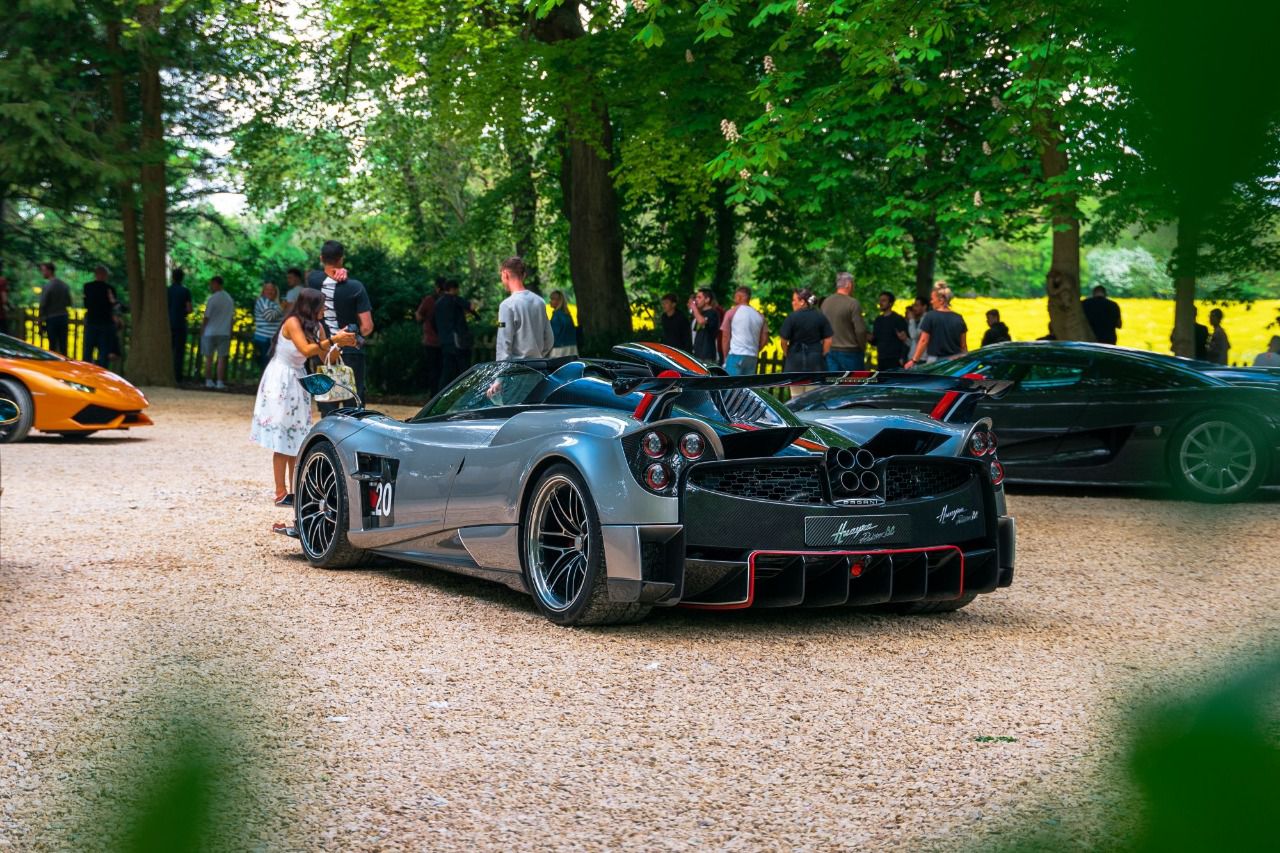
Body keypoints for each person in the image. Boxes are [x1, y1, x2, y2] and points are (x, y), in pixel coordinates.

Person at [250, 288, 356, 509]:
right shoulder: (292, 322)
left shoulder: (317, 327)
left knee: (297, 435)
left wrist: (341, 343)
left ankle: (295, 491)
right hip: (281, 377)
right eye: (322, 305)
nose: (325, 310)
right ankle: (280, 492)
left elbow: (326, 356)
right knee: (281, 436)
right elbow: (306, 350)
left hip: (298, 378)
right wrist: (333, 339)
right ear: (311, 306)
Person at [306, 240, 374, 413]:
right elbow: (367, 326)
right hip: (350, 350)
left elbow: (312, 274)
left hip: (323, 348)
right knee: (354, 403)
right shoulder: (356, 287)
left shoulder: (313, 281)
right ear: (342, 259)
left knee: (327, 403)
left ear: (321, 258)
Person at [496, 257, 553, 360]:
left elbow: (503, 346)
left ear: (505, 274)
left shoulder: (506, 306)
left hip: (518, 371)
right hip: (538, 367)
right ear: (524, 275)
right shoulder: (540, 302)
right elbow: (549, 339)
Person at [906, 284, 967, 368]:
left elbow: (924, 340)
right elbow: (963, 345)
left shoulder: (930, 316)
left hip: (935, 361)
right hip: (955, 362)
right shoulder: (959, 318)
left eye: (932, 299)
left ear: (941, 300)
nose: (931, 302)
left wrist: (914, 360)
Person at [821, 271, 869, 371]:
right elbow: (860, 330)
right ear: (848, 284)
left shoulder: (826, 302)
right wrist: (862, 347)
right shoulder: (852, 303)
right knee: (854, 385)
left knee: (833, 385)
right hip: (850, 352)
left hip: (830, 351)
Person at [780, 287, 833, 375]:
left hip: (795, 360)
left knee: (796, 388)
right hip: (815, 362)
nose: (792, 303)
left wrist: (788, 354)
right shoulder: (820, 316)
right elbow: (828, 340)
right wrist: (821, 354)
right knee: (814, 388)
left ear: (802, 302)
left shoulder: (792, 317)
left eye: (794, 300)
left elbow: (783, 341)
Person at [720, 285, 768, 376]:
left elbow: (725, 336)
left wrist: (726, 357)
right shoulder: (759, 316)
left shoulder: (731, 312)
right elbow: (764, 339)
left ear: (739, 296)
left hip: (735, 354)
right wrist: (755, 350)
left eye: (735, 297)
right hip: (752, 357)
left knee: (731, 387)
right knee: (746, 388)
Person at [435, 279, 473, 386]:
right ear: (453, 289)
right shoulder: (456, 300)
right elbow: (471, 307)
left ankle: (441, 395)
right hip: (458, 341)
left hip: (444, 341)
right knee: (464, 370)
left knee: (447, 371)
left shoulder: (438, 303)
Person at [82, 265, 119, 368]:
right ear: (105, 275)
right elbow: (114, 306)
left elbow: (86, 304)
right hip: (105, 323)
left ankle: (85, 371)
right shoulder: (109, 289)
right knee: (103, 352)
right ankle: (102, 372)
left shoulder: (88, 287)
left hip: (92, 321)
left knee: (88, 350)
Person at [201, 276, 235, 388]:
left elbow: (207, 316)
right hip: (224, 331)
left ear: (217, 284)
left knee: (209, 358)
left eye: (212, 284)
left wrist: (202, 329)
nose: (211, 286)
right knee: (221, 358)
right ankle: (220, 382)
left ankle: (208, 380)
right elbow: (231, 318)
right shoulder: (229, 299)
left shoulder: (212, 299)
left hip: (210, 332)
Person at [415, 277, 444, 396]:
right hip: (446, 341)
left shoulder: (429, 300)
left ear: (436, 287)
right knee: (443, 370)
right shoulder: (449, 300)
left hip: (430, 340)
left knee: (433, 370)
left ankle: (433, 395)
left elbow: (418, 316)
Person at [38, 262, 72, 356]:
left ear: (49, 271)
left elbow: (43, 305)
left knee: (52, 346)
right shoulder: (64, 285)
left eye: (44, 270)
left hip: (52, 318)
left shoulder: (48, 286)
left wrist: (40, 322)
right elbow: (69, 302)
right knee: (63, 346)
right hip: (64, 317)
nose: (43, 273)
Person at [871, 291, 910, 371]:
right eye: (880, 300)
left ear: (890, 303)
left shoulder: (898, 319)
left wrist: (903, 357)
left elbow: (905, 340)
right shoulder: (878, 320)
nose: (881, 303)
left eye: (884, 300)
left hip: (895, 359)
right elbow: (875, 341)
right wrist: (869, 338)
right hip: (881, 358)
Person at [252, 282, 284, 371]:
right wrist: (282, 307)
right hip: (264, 339)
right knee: (266, 366)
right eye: (267, 289)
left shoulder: (273, 303)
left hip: (271, 339)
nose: (270, 292)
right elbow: (269, 317)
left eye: (272, 289)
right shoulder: (262, 301)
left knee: (270, 366)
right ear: (263, 291)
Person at [167, 267, 192, 380]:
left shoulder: (167, 290)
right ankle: (177, 375)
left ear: (172, 277)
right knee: (179, 351)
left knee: (168, 349)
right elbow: (189, 308)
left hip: (168, 324)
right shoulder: (185, 291)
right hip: (181, 323)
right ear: (182, 278)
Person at [688, 288, 721, 362]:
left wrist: (694, 308)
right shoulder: (700, 313)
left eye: (699, 297)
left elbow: (702, 321)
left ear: (707, 300)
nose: (696, 300)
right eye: (696, 297)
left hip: (707, 356)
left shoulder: (712, 313)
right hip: (697, 354)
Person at [548, 290, 578, 358]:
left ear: (558, 301)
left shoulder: (556, 316)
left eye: (552, 299)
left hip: (559, 350)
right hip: (572, 348)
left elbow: (553, 336)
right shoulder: (568, 315)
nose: (550, 301)